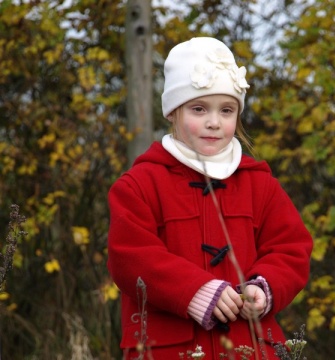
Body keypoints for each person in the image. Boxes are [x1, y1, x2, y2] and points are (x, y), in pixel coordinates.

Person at [107, 37, 313, 359]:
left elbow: (291, 248)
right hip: (169, 350)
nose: (214, 122)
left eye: (226, 110)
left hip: (251, 348)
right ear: (173, 112)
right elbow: (130, 256)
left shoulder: (261, 184)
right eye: (199, 108)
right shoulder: (139, 185)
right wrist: (195, 290)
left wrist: (263, 287)